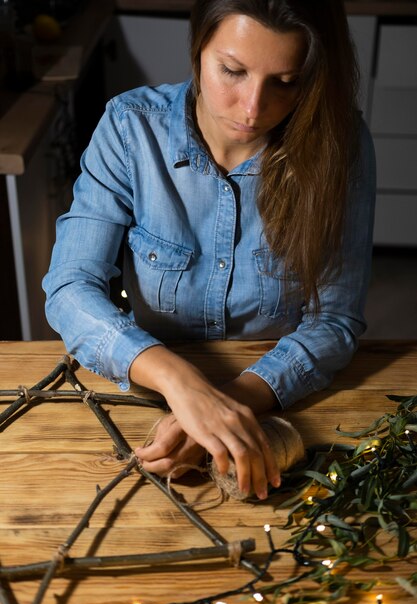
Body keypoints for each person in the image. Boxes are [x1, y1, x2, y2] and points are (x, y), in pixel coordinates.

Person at [43, 0, 375, 501]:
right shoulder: (131, 128)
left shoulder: (341, 145)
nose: (252, 108)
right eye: (233, 71)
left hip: (275, 398)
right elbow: (70, 288)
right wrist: (183, 386)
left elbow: (335, 321)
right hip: (146, 393)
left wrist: (223, 405)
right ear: (198, 49)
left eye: (285, 82)